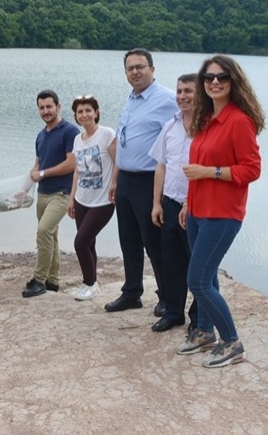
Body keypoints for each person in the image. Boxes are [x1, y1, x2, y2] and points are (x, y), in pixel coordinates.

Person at [177, 55, 264, 367]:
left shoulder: (239, 121)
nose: (214, 82)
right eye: (209, 77)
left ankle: (231, 341)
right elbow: (193, 171)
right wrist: (189, 203)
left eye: (222, 77)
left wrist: (210, 172)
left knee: (197, 280)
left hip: (224, 214)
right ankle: (204, 332)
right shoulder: (205, 119)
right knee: (208, 276)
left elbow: (252, 169)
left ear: (233, 81)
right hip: (199, 210)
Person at [105, 48, 177, 314]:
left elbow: (175, 145)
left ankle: (167, 296)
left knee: (154, 243)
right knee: (129, 240)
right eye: (130, 68)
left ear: (152, 69)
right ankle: (132, 292)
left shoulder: (168, 100)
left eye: (140, 67)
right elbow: (123, 144)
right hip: (126, 180)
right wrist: (115, 180)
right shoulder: (131, 99)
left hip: (149, 181)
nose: (135, 72)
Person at [148, 74, 199, 332]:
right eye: (179, 91)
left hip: (197, 207)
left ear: (200, 93)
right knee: (172, 261)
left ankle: (198, 318)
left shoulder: (208, 128)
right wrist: (156, 203)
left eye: (188, 91)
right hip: (169, 203)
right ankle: (173, 313)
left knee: (197, 265)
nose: (182, 96)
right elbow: (161, 165)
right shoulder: (170, 125)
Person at [22, 89, 80, 297]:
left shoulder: (70, 131)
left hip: (62, 193)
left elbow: (72, 163)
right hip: (43, 193)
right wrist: (24, 189)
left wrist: (44, 173)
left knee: (44, 231)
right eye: (41, 108)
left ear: (58, 106)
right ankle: (53, 281)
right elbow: (37, 166)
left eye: (49, 106)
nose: (46, 111)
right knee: (51, 236)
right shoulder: (40, 135)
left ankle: (38, 280)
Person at [66, 95, 116, 301]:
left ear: (96, 113)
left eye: (88, 110)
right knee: (89, 243)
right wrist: (71, 198)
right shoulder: (78, 139)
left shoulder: (106, 134)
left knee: (80, 242)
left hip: (103, 201)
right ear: (76, 116)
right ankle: (92, 283)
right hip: (82, 199)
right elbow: (77, 171)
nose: (84, 114)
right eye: (80, 112)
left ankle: (88, 283)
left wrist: (114, 184)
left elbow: (118, 162)